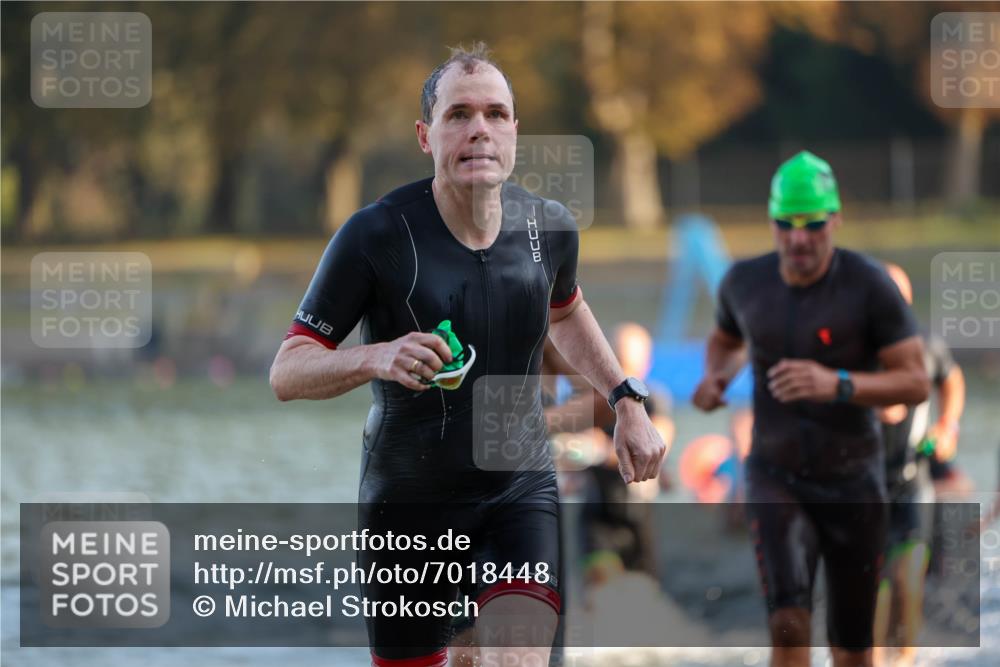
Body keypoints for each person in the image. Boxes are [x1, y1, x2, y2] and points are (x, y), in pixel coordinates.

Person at [269, 42, 666, 667]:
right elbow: (287, 372)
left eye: (495, 114)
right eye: (459, 115)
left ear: (514, 132)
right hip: (408, 501)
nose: (479, 129)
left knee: (517, 658)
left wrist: (625, 399)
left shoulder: (549, 227)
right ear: (427, 136)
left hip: (518, 489)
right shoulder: (376, 236)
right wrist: (377, 357)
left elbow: (565, 311)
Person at [692, 151, 929, 667]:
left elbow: (916, 382)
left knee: (852, 647)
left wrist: (837, 384)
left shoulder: (869, 286)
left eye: (813, 225)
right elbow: (727, 339)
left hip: (853, 480)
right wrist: (717, 377)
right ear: (772, 222)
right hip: (775, 474)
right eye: (786, 224)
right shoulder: (744, 282)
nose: (799, 238)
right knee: (788, 623)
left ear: (835, 220)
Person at [873, 262, 966, 667]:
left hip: (913, 479)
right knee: (872, 587)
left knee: (908, 578)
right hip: (862, 484)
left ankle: (906, 659)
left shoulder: (927, 346)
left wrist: (948, 424)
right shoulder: (849, 351)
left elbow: (953, 379)